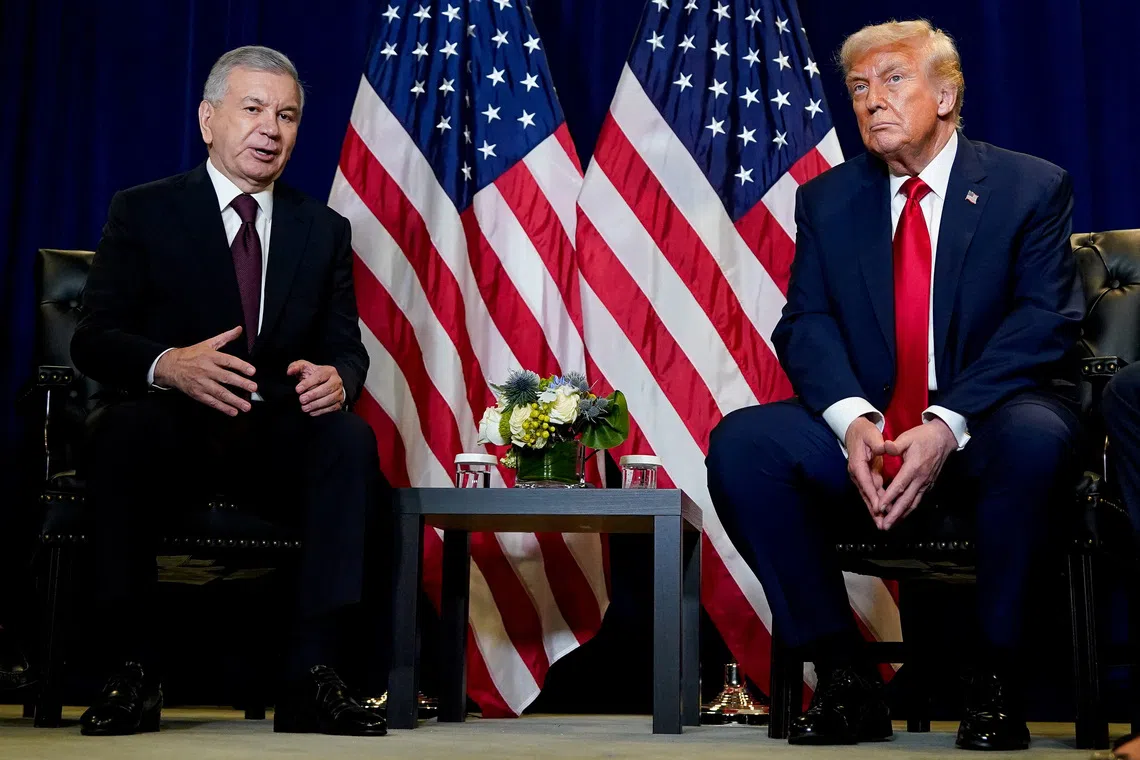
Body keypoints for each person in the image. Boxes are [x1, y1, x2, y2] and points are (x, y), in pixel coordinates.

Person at [706, 20, 1083, 751]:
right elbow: (806, 322)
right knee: (746, 444)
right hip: (875, 431)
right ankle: (846, 683)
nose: (871, 100)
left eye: (892, 80)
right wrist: (851, 420)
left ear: (946, 95)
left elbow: (1043, 322)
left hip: (986, 422)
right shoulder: (829, 201)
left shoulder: (1029, 186)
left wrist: (947, 422)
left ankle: (995, 684)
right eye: (858, 87)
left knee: (1037, 439)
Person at [70, 45, 388, 737]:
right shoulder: (144, 210)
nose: (270, 128)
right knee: (120, 434)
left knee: (350, 441)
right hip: (172, 427)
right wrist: (168, 363)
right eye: (252, 109)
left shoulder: (322, 228)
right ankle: (132, 671)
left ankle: (312, 677)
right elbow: (93, 337)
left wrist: (342, 378)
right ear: (208, 118)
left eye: (287, 115)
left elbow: (345, 347)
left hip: (273, 435)